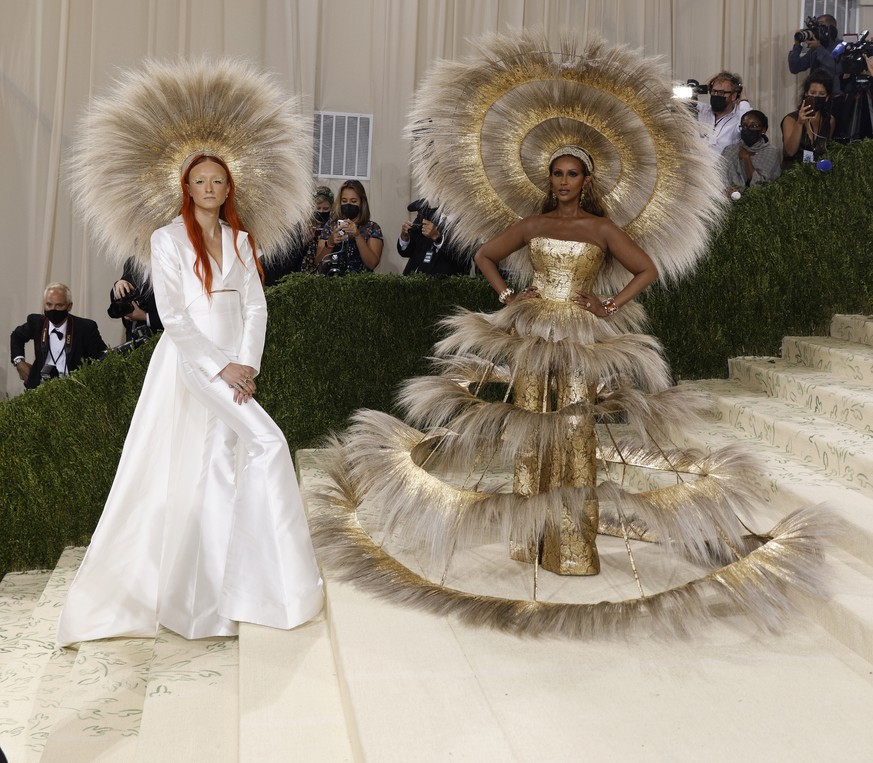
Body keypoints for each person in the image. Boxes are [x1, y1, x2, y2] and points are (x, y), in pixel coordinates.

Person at [57, 152, 323, 645]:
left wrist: (247, 366)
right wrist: (222, 368)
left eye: (216, 181)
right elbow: (174, 316)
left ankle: (226, 600)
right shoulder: (167, 238)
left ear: (227, 189)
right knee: (264, 444)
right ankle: (243, 597)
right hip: (189, 362)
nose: (208, 188)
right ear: (188, 187)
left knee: (218, 468)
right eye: (199, 180)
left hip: (235, 364)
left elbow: (256, 308)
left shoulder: (242, 241)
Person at [10, 282, 106, 389]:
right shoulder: (38, 323)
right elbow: (16, 336)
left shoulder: (85, 328)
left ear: (69, 306)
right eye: (49, 305)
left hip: (74, 391)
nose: (53, 309)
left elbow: (103, 358)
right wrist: (19, 362)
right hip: (40, 389)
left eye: (59, 305)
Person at [262, 185, 334, 285]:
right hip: (299, 276)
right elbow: (289, 260)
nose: (321, 212)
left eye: (326, 209)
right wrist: (303, 243)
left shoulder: (332, 227)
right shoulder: (300, 226)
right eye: (318, 208)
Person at [316, 180, 383, 274]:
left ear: (362, 203)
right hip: (332, 283)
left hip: (361, 284)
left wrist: (357, 236)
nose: (348, 204)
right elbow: (318, 264)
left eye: (353, 201)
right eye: (344, 201)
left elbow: (372, 263)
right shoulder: (331, 226)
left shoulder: (372, 228)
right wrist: (330, 243)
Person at [781, 69, 836, 168]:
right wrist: (799, 123)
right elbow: (790, 151)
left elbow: (826, 150)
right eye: (813, 93)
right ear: (806, 94)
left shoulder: (829, 120)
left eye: (821, 94)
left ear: (827, 97)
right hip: (792, 176)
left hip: (817, 176)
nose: (816, 96)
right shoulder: (790, 119)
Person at [397, 200, 468, 276]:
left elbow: (464, 260)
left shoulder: (466, 223)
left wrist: (438, 238)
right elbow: (406, 252)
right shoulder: (427, 213)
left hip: (442, 285)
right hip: (410, 281)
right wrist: (405, 237)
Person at [721, 110, 782, 194]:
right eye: (744, 125)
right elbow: (720, 178)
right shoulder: (730, 150)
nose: (747, 129)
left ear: (763, 130)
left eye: (753, 126)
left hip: (758, 202)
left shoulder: (771, 152)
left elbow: (759, 186)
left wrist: (746, 158)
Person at [696, 71, 751, 155]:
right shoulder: (701, 110)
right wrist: (716, 76)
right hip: (697, 166)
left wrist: (743, 99)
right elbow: (680, 106)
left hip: (724, 167)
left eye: (721, 93)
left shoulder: (739, 118)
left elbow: (749, 124)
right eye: (714, 91)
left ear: (733, 96)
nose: (716, 95)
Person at [109, 256, 163, 342]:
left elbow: (179, 314)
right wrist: (118, 286)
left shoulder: (168, 262)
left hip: (160, 341)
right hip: (133, 341)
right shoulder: (131, 262)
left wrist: (146, 317)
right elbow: (121, 296)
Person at [789, 14, 842, 95]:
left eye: (821, 26)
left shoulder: (841, 46)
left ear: (831, 29)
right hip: (813, 93)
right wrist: (797, 46)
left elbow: (836, 68)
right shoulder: (816, 48)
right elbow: (795, 68)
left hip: (832, 95)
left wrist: (818, 48)